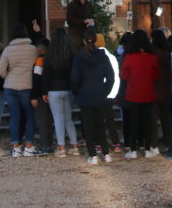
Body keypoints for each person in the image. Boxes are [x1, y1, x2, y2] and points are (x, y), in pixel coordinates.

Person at [71, 29, 115, 165]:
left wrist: (77, 92)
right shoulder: (103, 56)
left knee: (88, 126)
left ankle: (93, 155)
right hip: (99, 92)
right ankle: (106, 153)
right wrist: (105, 90)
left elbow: (74, 78)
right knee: (100, 124)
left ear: (84, 41)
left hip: (85, 93)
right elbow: (111, 76)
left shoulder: (80, 57)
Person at [0, 23, 39, 156]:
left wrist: (8, 77)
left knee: (15, 116)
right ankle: (28, 145)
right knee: (29, 116)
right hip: (27, 85)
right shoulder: (33, 49)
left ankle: (15, 147)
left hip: (10, 86)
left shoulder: (8, 50)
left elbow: (0, 70)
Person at [120, 30, 159, 159]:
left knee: (133, 121)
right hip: (148, 92)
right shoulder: (152, 57)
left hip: (133, 93)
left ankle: (133, 149)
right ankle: (147, 148)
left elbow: (123, 76)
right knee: (147, 121)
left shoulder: (129, 58)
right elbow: (155, 76)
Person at [43, 28, 78, 156]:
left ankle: (61, 147)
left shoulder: (51, 55)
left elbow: (46, 75)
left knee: (58, 119)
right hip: (68, 89)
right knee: (68, 119)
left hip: (54, 89)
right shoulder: (71, 54)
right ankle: (74, 146)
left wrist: (44, 91)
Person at [150, 30, 172, 157]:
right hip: (165, 89)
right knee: (166, 118)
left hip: (154, 90)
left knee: (153, 118)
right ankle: (169, 141)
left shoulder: (153, 55)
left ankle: (153, 145)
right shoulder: (167, 54)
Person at [30, 38, 54, 154]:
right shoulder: (52, 59)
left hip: (40, 95)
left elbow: (36, 79)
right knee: (49, 120)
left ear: (40, 48)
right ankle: (50, 144)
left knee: (42, 121)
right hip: (51, 93)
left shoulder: (39, 61)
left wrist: (33, 96)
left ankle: (44, 145)